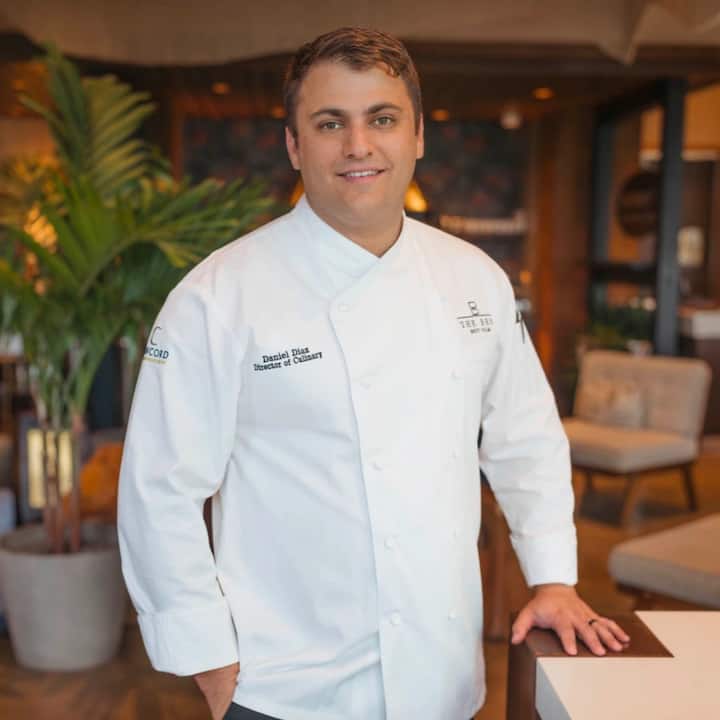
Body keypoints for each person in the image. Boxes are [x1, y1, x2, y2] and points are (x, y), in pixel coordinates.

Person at [118, 27, 629, 720]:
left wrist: (554, 579)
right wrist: (208, 659)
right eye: (330, 123)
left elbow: (526, 440)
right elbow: (159, 489)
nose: (358, 145)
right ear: (295, 145)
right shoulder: (217, 296)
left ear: (417, 136)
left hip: (441, 677)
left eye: (381, 119)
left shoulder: (475, 279)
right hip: (281, 686)